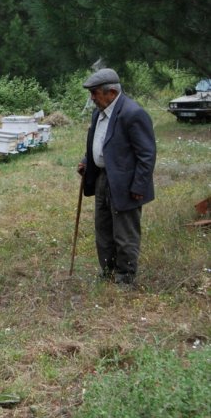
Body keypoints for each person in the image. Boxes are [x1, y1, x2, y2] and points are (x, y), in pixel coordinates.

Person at [77, 68, 156, 285]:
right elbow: (100, 141)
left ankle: (125, 277)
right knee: (103, 229)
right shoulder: (99, 113)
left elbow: (146, 155)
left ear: (111, 92)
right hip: (103, 178)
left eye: (95, 93)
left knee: (124, 232)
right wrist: (87, 159)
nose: (92, 98)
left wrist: (139, 186)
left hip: (126, 183)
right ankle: (108, 271)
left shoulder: (133, 113)